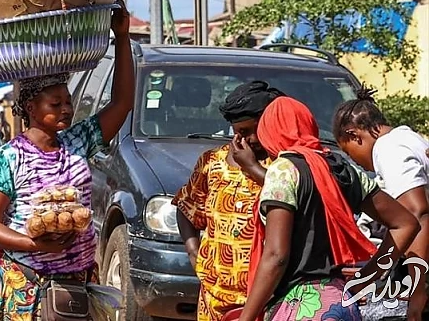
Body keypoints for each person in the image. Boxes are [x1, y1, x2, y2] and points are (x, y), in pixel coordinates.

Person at [0, 0, 134, 320]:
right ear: (31, 108)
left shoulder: (78, 142)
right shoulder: (6, 159)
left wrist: (122, 38)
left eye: (68, 102)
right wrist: (36, 245)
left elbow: (122, 103)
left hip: (77, 286)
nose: (66, 109)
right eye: (56, 103)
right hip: (25, 287)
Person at [238, 96, 420, 321]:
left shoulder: (283, 170)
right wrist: (363, 280)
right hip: (341, 304)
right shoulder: (342, 169)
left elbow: (276, 256)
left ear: (269, 134)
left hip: (299, 307)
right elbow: (406, 224)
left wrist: (247, 317)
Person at [173, 81, 285, 321]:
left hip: (264, 299)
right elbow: (185, 207)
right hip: (213, 297)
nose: (246, 140)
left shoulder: (283, 165)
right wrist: (194, 253)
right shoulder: (213, 162)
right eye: (239, 132)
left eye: (252, 131)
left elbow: (287, 192)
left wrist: (251, 167)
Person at [333, 87, 429, 320]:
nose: (355, 162)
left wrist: (417, 292)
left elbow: (417, 213)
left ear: (355, 135)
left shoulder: (388, 149)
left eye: (349, 152)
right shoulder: (408, 137)